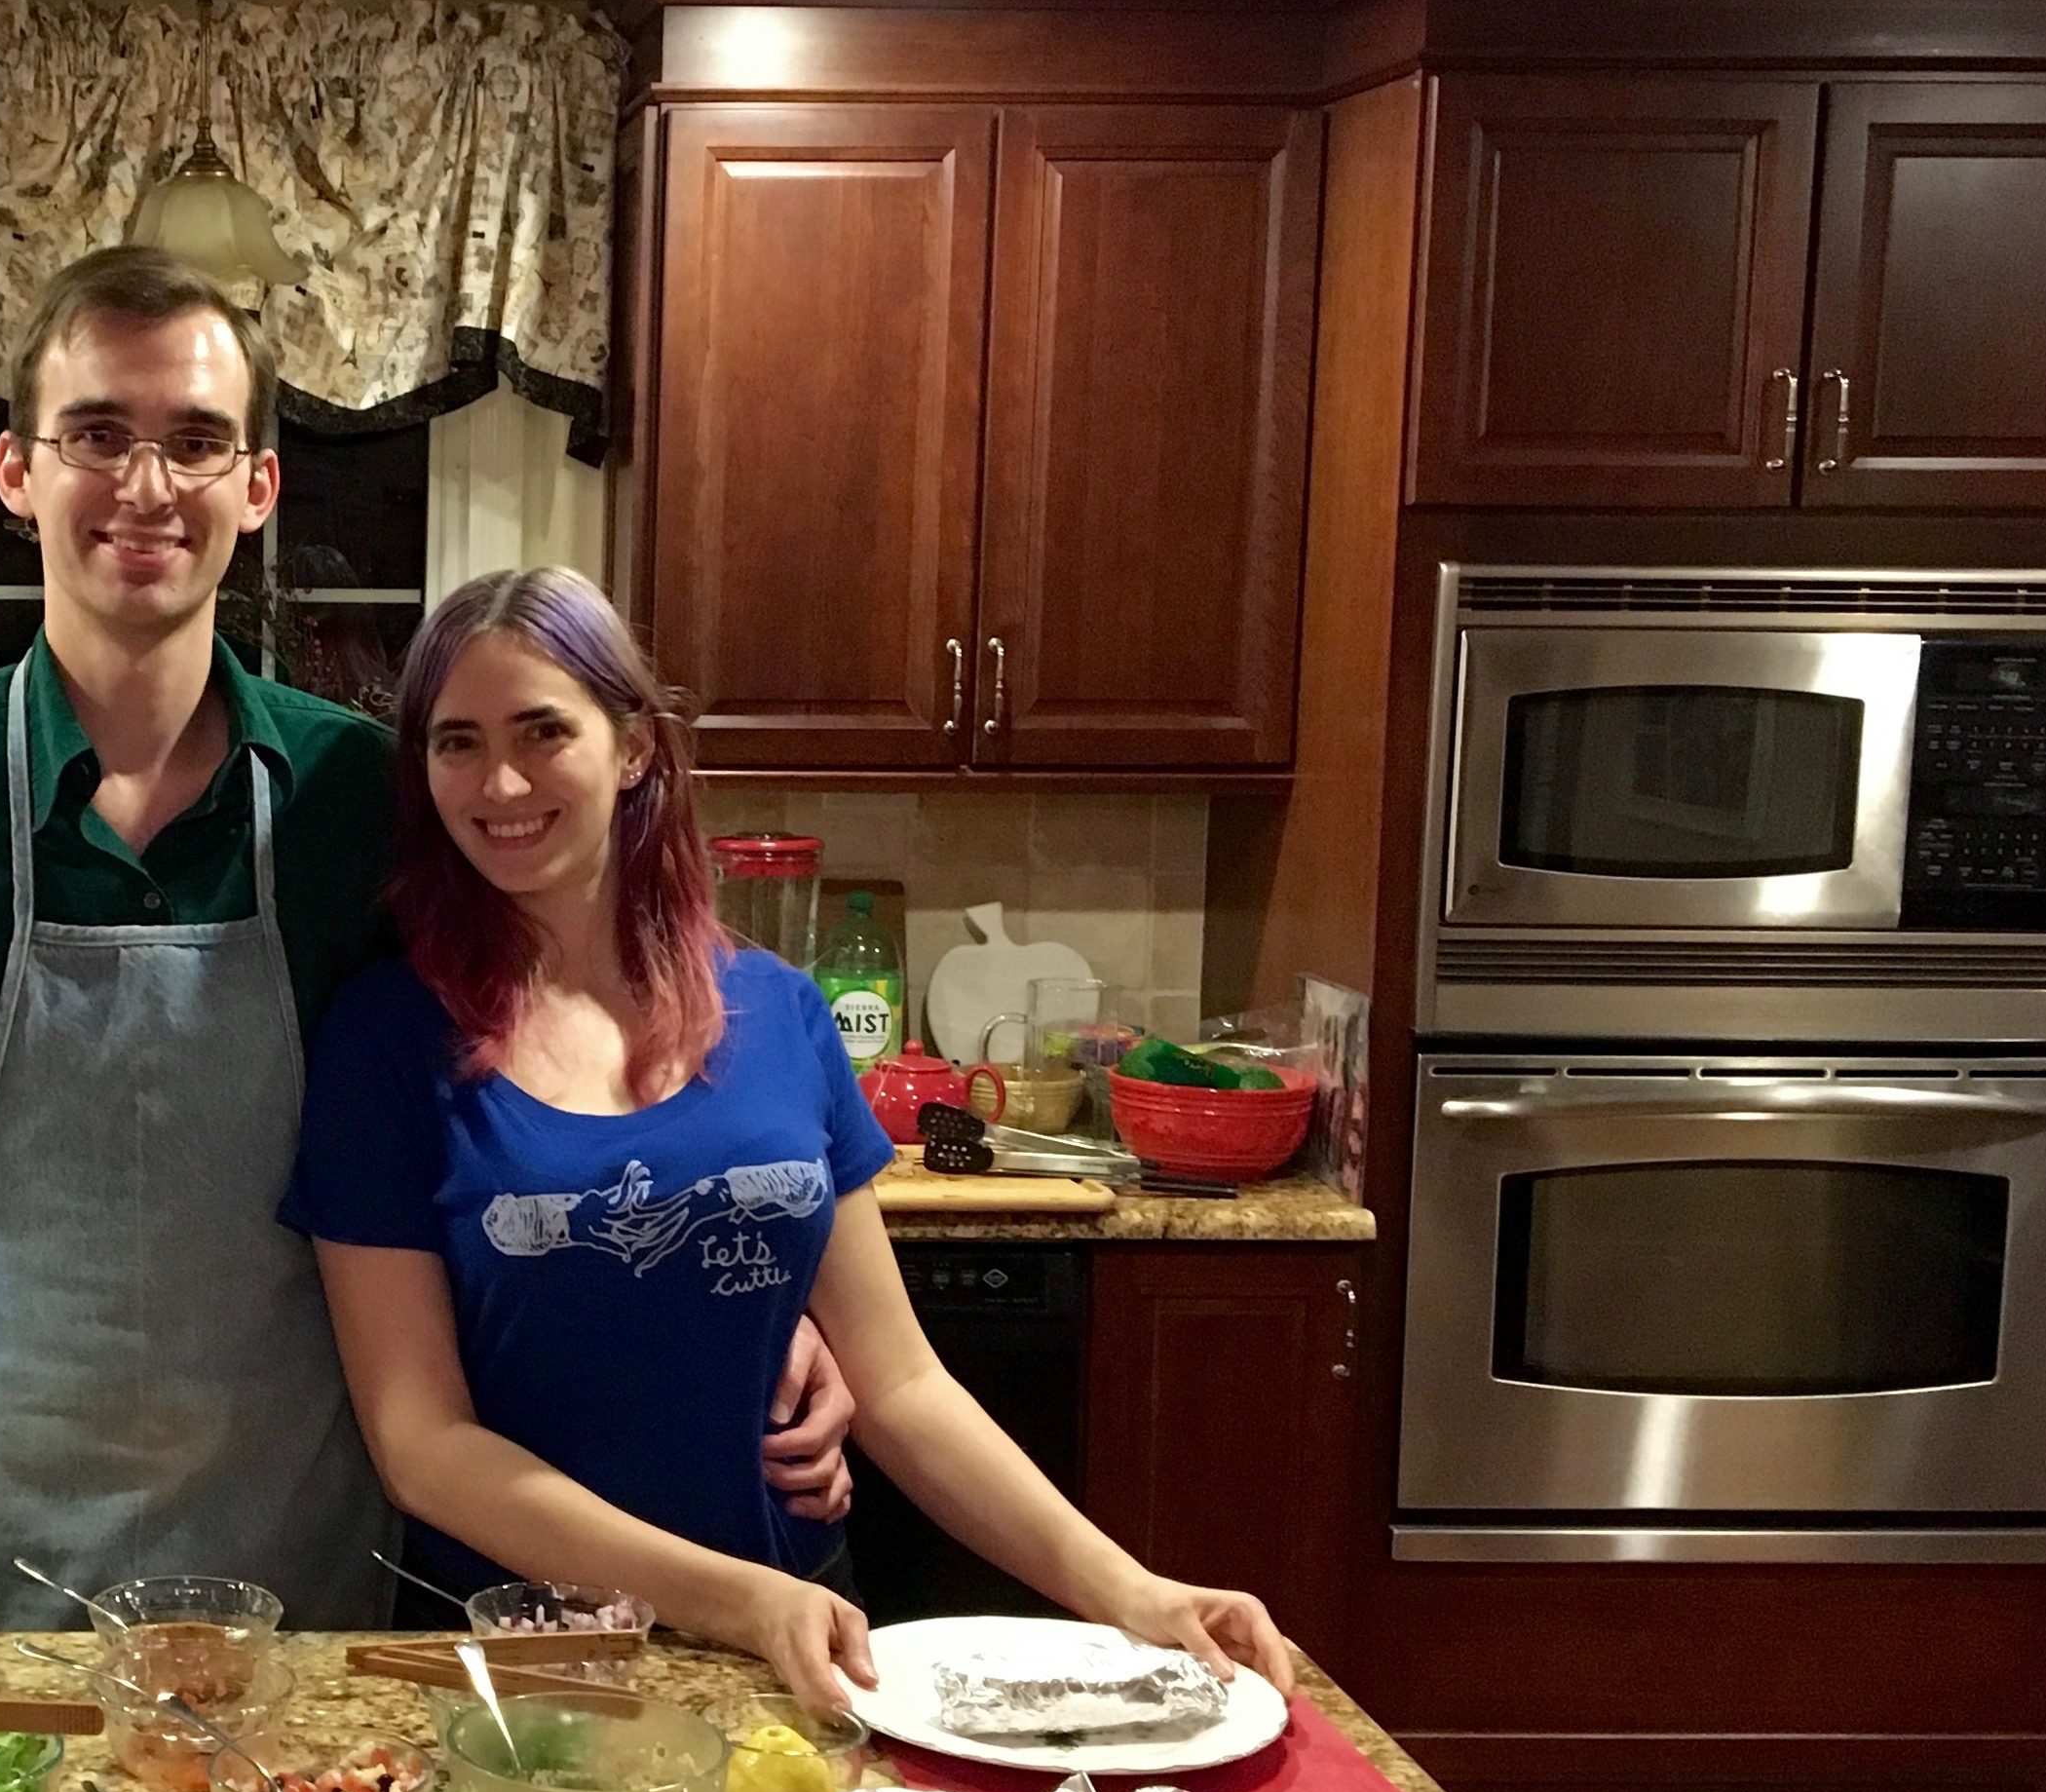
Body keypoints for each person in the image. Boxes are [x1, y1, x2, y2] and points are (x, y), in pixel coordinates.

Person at [0, 250, 854, 1629]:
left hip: (311, 1588)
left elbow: (559, 1075)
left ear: (258, 486)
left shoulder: (369, 800)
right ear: (15, 475)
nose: (146, 487)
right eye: (98, 437)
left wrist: (750, 1306)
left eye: (195, 443)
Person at [284, 566, 1295, 1710]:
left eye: (542, 731)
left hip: (797, 1631)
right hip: (527, 1665)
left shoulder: (777, 1011)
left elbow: (901, 1381)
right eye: (455, 742)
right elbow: (424, 1445)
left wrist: (1130, 1592)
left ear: (635, 748)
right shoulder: (386, 1039)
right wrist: (734, 1600)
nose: (500, 781)